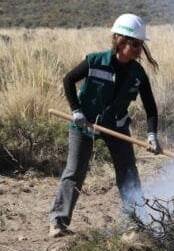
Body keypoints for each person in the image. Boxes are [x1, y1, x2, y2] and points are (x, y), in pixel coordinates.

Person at [49, 14, 161, 237]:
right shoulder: (95, 61)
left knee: (128, 173)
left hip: (117, 127)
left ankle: (135, 223)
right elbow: (68, 80)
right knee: (74, 172)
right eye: (136, 44)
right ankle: (58, 223)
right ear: (121, 41)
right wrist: (77, 111)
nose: (140, 50)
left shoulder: (138, 74)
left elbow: (151, 107)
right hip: (85, 125)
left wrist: (152, 135)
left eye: (141, 45)